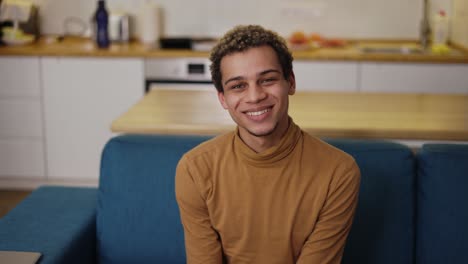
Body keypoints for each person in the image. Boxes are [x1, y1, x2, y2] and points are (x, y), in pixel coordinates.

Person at [175, 24, 361, 264]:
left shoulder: (339, 173)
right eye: (238, 86)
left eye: (268, 79)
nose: (255, 96)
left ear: (290, 82)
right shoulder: (195, 170)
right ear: (223, 98)